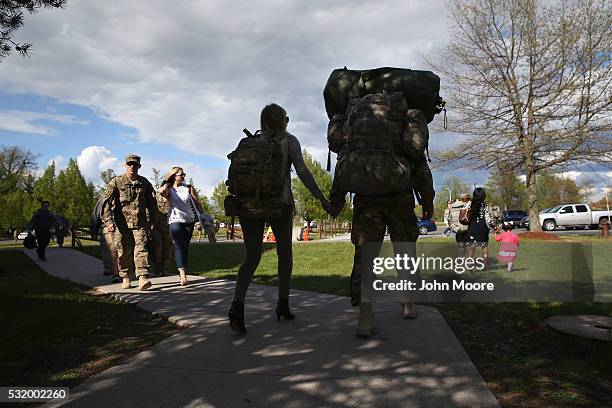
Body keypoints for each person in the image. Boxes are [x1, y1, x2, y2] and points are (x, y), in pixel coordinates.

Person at [227, 103, 332, 334]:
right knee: (285, 254)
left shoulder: (249, 142)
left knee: (252, 256)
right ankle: (283, 304)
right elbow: (303, 171)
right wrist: (322, 198)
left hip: (248, 205)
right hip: (279, 203)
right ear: (282, 120)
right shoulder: (288, 140)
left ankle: (237, 306)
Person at [329, 109, 435, 337]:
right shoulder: (404, 117)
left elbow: (343, 158)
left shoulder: (356, 119)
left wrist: (336, 200)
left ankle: (365, 315)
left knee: (366, 254)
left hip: (367, 199)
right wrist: (427, 199)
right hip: (400, 196)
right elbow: (418, 162)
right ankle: (408, 304)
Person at [102, 154, 159, 291]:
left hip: (140, 223)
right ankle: (126, 276)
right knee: (124, 251)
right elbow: (106, 203)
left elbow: (152, 203)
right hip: (122, 224)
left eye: (135, 164)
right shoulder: (117, 182)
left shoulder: (144, 183)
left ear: (139, 166)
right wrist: (109, 221)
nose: (132, 167)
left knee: (141, 249)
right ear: (125, 165)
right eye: (129, 164)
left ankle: (142, 277)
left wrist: (153, 220)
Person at [158, 167, 207, 286]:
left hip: (189, 221)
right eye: (181, 174)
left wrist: (204, 215)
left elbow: (197, 203)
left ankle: (183, 268)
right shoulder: (169, 189)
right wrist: (166, 182)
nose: (184, 176)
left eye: (184, 174)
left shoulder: (189, 188)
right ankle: (183, 275)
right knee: (179, 245)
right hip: (174, 221)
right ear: (174, 176)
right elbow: (161, 192)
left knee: (185, 247)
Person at [91, 196, 121, 283]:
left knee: (119, 249)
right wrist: (94, 231)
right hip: (105, 227)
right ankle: (109, 268)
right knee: (107, 249)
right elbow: (95, 216)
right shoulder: (103, 198)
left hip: (120, 227)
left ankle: (120, 270)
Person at [465, 187, 497, 269]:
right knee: (484, 246)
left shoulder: (469, 203)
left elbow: (465, 214)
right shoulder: (485, 205)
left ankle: (470, 265)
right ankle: (485, 265)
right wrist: (494, 226)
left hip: (473, 226)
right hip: (483, 227)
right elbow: (488, 218)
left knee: (471, 247)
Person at [150, 190, 173, 277]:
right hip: (156, 227)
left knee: (168, 249)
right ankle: (156, 269)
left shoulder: (173, 197)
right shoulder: (156, 196)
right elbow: (150, 209)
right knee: (157, 249)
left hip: (168, 227)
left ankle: (165, 269)